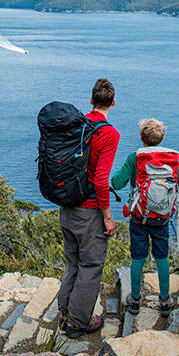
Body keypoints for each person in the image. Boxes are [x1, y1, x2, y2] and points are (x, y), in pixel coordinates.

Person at [59, 78, 120, 339]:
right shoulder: (109, 134)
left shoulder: (76, 126)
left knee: (72, 263)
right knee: (91, 265)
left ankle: (65, 311)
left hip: (67, 206)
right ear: (113, 103)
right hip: (89, 211)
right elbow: (102, 179)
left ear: (91, 100)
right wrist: (107, 217)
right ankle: (77, 323)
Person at [111, 118, 179, 317]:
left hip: (139, 217)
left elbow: (117, 182)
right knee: (162, 257)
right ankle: (164, 301)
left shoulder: (134, 158)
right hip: (162, 217)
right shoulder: (169, 159)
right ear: (161, 138)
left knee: (138, 257)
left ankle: (135, 300)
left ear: (141, 137)